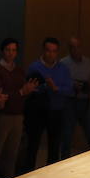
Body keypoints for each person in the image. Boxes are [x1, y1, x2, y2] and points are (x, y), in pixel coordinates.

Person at [22, 37, 73, 171]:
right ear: (43, 51)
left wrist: (56, 88)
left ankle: (51, 176)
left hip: (56, 111)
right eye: (48, 51)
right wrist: (43, 87)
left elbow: (69, 89)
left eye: (54, 51)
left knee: (54, 147)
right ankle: (27, 175)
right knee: (33, 145)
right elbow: (29, 88)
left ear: (57, 52)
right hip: (37, 112)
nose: (51, 54)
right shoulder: (34, 67)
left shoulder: (63, 69)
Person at [0, 38, 31, 178]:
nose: (11, 53)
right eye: (8, 50)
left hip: (17, 115)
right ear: (2, 51)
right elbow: (1, 95)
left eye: (14, 50)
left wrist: (22, 93)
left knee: (12, 154)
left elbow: (20, 94)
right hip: (2, 115)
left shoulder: (19, 70)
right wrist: (20, 93)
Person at [61, 36, 90, 156]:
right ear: (69, 49)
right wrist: (72, 84)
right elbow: (61, 83)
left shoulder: (87, 62)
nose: (75, 50)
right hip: (70, 101)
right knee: (67, 135)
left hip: (85, 100)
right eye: (72, 47)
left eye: (78, 47)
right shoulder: (63, 63)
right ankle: (64, 160)